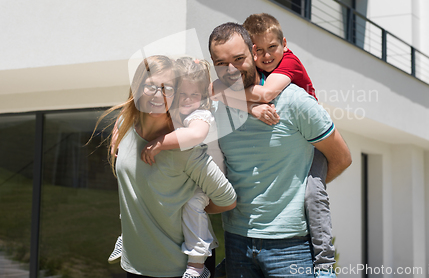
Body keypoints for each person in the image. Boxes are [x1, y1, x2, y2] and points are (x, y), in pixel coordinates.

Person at [208, 23, 351, 278]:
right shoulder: (218, 105)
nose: (230, 70)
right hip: (236, 240)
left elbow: (341, 158)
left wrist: (299, 194)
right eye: (221, 63)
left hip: (290, 246)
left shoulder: (295, 101)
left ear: (254, 53)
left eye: (239, 58)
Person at [101, 55, 236, 278]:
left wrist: (187, 207)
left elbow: (227, 199)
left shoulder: (184, 146)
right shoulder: (125, 127)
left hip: (178, 269)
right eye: (151, 86)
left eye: (168, 88)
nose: (159, 95)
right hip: (135, 264)